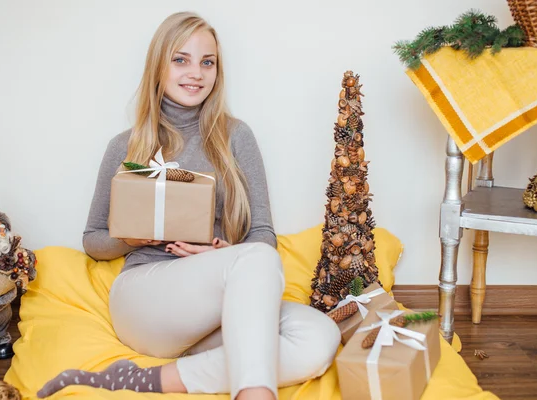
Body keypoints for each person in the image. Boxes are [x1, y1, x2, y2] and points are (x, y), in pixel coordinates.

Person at [38, 11, 340, 400]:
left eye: (207, 62)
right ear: (159, 67)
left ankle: (141, 380)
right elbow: (93, 241)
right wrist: (130, 238)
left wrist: (226, 254)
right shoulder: (125, 145)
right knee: (257, 261)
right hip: (145, 299)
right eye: (181, 59)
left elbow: (262, 233)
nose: (196, 72)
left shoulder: (236, 136)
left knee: (319, 337)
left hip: (215, 303)